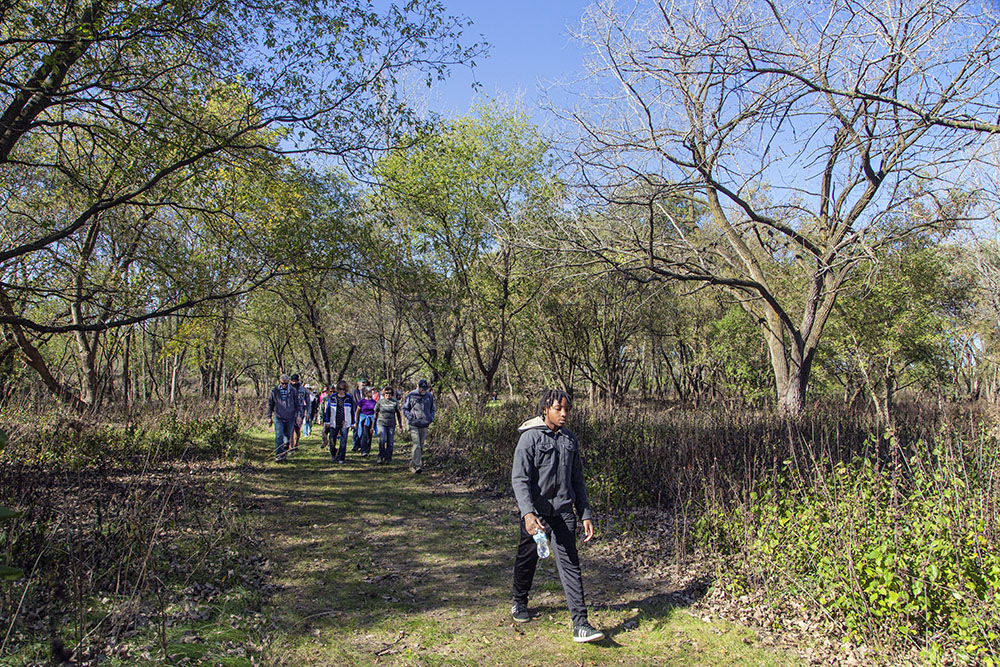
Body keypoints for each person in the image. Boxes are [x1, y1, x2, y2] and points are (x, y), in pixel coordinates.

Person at [509, 389, 604, 644]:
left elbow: (578, 480)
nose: (563, 414)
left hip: (563, 514)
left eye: (566, 410)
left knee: (571, 566)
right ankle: (519, 601)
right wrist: (528, 514)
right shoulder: (529, 439)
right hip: (536, 517)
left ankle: (581, 624)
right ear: (545, 409)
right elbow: (519, 479)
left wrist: (584, 513)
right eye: (557, 409)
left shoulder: (570, 440)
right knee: (526, 559)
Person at [267, 373, 302, 463]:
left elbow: (297, 404)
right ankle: (279, 456)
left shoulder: (293, 391)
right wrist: (269, 417)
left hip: (290, 417)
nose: (284, 385)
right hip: (278, 417)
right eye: (283, 383)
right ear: (279, 381)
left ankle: (285, 451)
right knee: (279, 436)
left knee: (287, 437)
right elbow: (270, 404)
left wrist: (298, 415)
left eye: (286, 383)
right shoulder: (275, 391)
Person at [402, 379, 435, 473]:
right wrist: (410, 417)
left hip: (425, 424)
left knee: (421, 445)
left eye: (425, 389)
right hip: (414, 424)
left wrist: (431, 418)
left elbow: (432, 409)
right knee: (416, 444)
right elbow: (405, 409)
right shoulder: (411, 395)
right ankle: (417, 466)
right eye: (421, 389)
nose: (423, 391)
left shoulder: (429, 396)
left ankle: (413, 463)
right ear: (418, 387)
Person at [323, 380, 355, 463]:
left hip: (345, 422)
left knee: (343, 441)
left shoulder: (349, 398)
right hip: (334, 421)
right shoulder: (333, 397)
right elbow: (328, 409)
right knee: (332, 440)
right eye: (340, 389)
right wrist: (327, 420)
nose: (342, 391)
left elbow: (352, 410)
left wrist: (353, 422)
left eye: (343, 389)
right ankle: (333, 453)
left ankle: (341, 458)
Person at [374, 384, 402, 464]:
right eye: (386, 393)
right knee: (382, 440)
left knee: (390, 442)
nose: (388, 395)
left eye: (390, 393)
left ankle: (388, 458)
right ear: (383, 394)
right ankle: (380, 456)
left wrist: (400, 426)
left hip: (391, 424)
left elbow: (398, 414)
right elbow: (375, 413)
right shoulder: (380, 402)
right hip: (381, 423)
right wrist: (373, 426)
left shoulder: (395, 402)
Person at [356, 387, 377, 457]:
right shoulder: (362, 401)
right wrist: (356, 421)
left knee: (370, 435)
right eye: (370, 392)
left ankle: (368, 450)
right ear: (366, 393)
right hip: (364, 420)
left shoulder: (374, 402)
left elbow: (376, 412)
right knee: (364, 435)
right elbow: (357, 411)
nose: (371, 393)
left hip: (371, 420)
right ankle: (363, 450)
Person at [288, 373, 306, 453]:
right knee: (290, 429)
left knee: (297, 429)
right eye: (293, 381)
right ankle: (290, 447)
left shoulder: (303, 389)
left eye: (296, 381)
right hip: (290, 411)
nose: (294, 382)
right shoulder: (288, 388)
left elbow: (308, 401)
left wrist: (308, 412)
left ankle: (296, 444)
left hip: (300, 411)